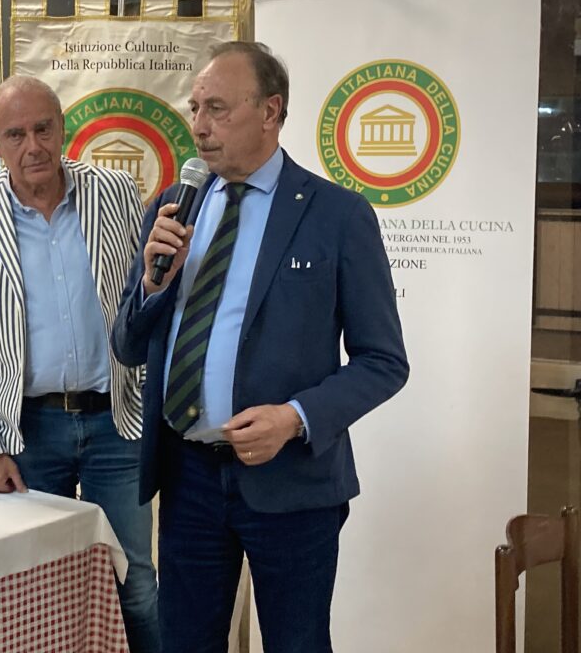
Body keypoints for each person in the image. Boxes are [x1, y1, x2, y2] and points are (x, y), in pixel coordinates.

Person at [111, 41, 409, 653]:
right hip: (188, 478)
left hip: (292, 482)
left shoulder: (337, 215)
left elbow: (384, 362)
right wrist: (151, 286)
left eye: (217, 109)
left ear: (271, 111)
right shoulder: (173, 207)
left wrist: (294, 418)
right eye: (195, 108)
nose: (199, 126)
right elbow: (127, 346)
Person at [0, 75, 160, 651]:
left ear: (63, 128)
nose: (33, 146)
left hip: (117, 422)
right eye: (15, 134)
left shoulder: (114, 192)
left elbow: (143, 302)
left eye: (43, 128)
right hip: (27, 432)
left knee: (136, 581)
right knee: (41, 581)